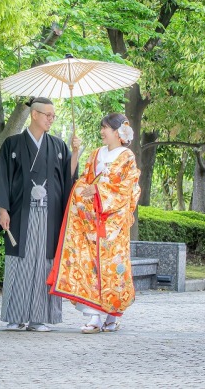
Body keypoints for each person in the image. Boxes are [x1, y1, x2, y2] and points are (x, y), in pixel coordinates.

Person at [0, 97, 80, 332]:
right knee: (20, 261)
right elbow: (3, 177)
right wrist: (2, 209)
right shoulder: (13, 144)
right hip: (20, 213)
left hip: (49, 215)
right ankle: (15, 316)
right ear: (35, 115)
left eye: (53, 116)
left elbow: (68, 178)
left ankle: (39, 318)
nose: (51, 119)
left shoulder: (59, 146)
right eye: (47, 115)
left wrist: (76, 153)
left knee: (45, 263)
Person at [47, 113, 141, 333]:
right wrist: (78, 155)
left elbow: (127, 189)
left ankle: (111, 314)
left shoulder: (127, 157)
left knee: (111, 268)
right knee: (90, 267)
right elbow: (83, 180)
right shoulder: (95, 154)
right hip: (90, 220)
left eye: (105, 128)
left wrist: (98, 191)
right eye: (102, 127)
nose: (102, 131)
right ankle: (94, 316)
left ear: (118, 132)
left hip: (112, 223)